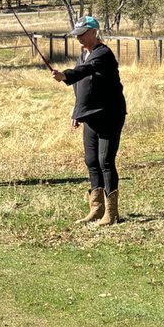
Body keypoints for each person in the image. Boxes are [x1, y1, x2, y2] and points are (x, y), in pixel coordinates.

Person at [52, 16, 127, 226]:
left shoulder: (102, 53)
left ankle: (111, 213)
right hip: (91, 115)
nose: (79, 38)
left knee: (105, 161)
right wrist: (77, 112)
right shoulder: (83, 55)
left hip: (110, 114)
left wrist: (65, 75)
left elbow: (83, 72)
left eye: (82, 34)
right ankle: (96, 209)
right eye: (77, 35)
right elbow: (81, 87)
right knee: (91, 161)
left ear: (94, 32)